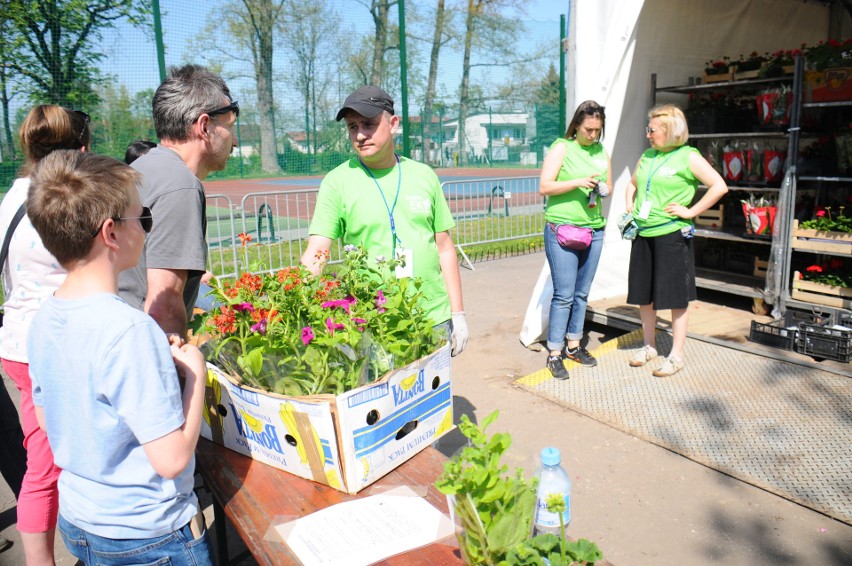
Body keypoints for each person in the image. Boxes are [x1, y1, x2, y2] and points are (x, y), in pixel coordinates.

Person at [26, 150, 212, 565]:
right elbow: (172, 459)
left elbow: (46, 418)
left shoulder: (44, 318)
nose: (146, 228)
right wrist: (195, 375)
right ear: (111, 232)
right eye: (142, 218)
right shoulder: (130, 330)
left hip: (82, 523)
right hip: (148, 536)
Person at [300, 85, 468, 356]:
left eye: (368, 124)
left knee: (434, 398)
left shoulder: (424, 176)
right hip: (373, 322)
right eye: (352, 127)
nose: (360, 135)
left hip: (432, 317)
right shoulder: (337, 182)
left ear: (393, 124)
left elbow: (444, 247)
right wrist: (300, 304)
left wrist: (457, 313)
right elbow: (317, 251)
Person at [0, 104, 91, 565]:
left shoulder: (12, 196)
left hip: (20, 341)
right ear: (79, 148)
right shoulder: (56, 199)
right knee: (46, 463)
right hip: (47, 346)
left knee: (53, 455)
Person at [119, 64, 236, 338]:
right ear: (205, 126)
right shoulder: (179, 185)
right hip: (142, 348)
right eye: (230, 126)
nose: (235, 140)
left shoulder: (142, 169)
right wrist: (177, 373)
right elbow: (164, 304)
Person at [625, 104, 728, 377]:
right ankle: (649, 347)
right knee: (644, 295)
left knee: (675, 297)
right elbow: (633, 184)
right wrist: (629, 209)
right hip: (643, 234)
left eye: (652, 130)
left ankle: (676, 355)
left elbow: (719, 186)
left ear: (670, 131)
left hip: (671, 235)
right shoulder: (647, 156)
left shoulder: (688, 156)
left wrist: (691, 211)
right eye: (648, 129)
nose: (647, 134)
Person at [539, 101, 611, 380]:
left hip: (594, 229)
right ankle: (554, 353)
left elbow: (610, 184)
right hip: (564, 230)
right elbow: (545, 186)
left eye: (597, 130)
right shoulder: (562, 148)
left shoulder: (601, 151)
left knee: (582, 293)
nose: (593, 135)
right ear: (577, 125)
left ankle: (573, 345)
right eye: (588, 130)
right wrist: (577, 182)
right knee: (564, 295)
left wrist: (604, 188)